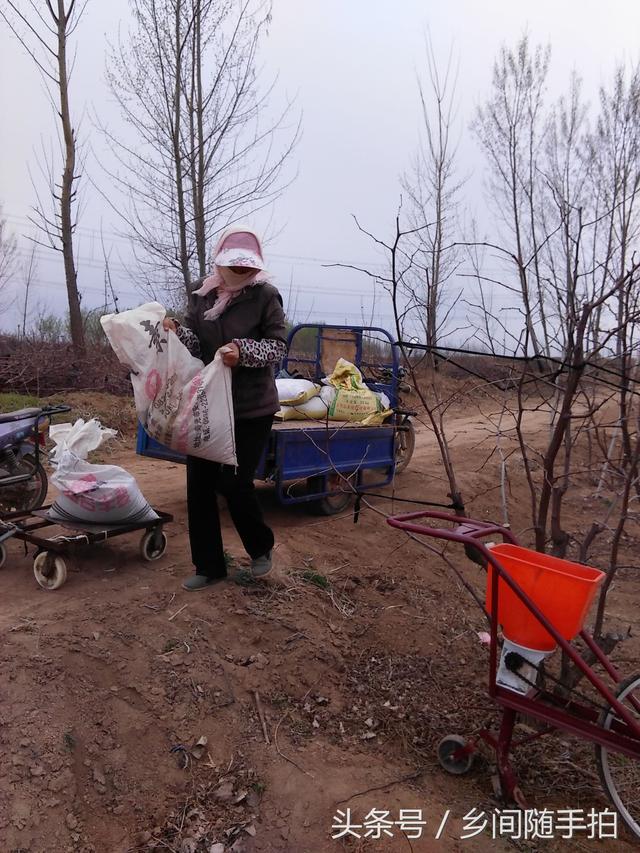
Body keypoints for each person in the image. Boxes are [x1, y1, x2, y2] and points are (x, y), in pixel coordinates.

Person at [163, 227, 287, 591]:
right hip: (208, 405)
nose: (240, 272)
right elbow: (195, 342)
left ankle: (261, 548)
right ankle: (209, 566)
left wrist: (242, 351)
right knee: (199, 487)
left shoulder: (265, 296)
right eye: (233, 265)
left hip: (251, 408)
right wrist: (174, 332)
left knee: (233, 483)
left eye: (246, 267)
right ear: (219, 261)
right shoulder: (202, 295)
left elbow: (277, 347)